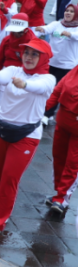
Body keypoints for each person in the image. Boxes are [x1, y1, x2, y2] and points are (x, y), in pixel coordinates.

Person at [0, 39, 55, 246]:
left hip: (26, 136)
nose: (28, 58)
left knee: (9, 178)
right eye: (26, 53)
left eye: (34, 54)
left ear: (43, 58)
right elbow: (1, 76)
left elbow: (38, 87)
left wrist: (25, 84)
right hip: (1, 129)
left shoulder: (48, 78)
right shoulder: (13, 69)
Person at [33, 4, 78, 125]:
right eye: (67, 10)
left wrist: (70, 34)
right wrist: (41, 29)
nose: (68, 13)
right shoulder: (57, 24)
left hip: (67, 66)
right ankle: (44, 111)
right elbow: (47, 28)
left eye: (71, 11)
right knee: (47, 88)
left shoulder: (76, 28)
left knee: (57, 90)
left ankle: (47, 115)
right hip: (52, 63)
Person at [44, 63, 78, 214]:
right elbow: (57, 92)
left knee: (72, 163)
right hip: (63, 122)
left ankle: (62, 197)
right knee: (58, 157)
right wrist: (40, 110)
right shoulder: (74, 71)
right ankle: (58, 192)